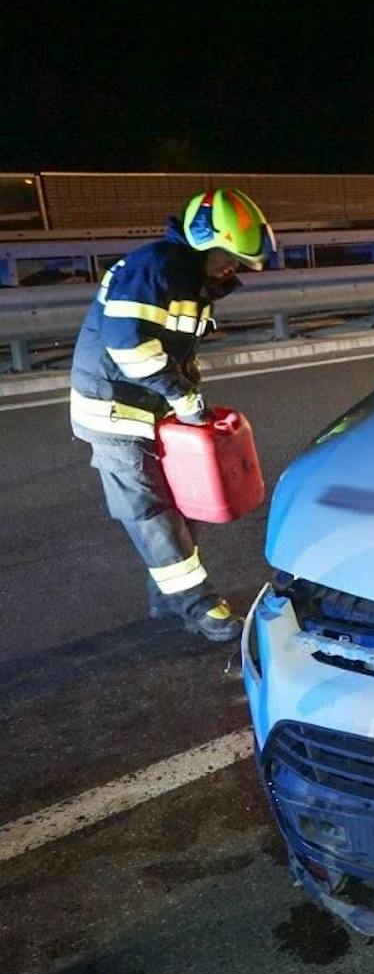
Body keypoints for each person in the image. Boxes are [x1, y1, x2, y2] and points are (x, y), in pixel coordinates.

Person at [68, 188, 276, 642]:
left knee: (180, 505)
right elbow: (129, 346)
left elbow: (175, 348)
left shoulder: (187, 279)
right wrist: (180, 395)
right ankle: (200, 608)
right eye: (228, 255)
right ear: (203, 241)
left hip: (150, 409)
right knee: (153, 513)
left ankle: (167, 598)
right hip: (114, 412)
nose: (232, 267)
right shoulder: (154, 269)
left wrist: (185, 398)